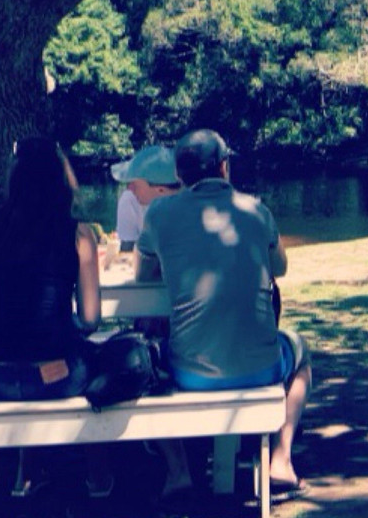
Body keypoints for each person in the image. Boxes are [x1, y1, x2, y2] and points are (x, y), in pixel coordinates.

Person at [135, 129, 311, 499]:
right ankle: (281, 459)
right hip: (261, 366)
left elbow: (142, 276)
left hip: (190, 370)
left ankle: (179, 470)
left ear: (180, 176)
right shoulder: (255, 210)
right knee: (301, 352)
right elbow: (279, 267)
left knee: (145, 365)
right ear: (224, 167)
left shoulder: (160, 213)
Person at [0, 137, 113, 498]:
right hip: (54, 378)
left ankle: (27, 473)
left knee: (34, 349)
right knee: (96, 362)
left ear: (14, 179)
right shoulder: (78, 234)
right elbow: (92, 318)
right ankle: (97, 476)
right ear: (60, 180)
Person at [111, 145, 180, 254]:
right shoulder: (130, 198)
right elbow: (126, 249)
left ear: (160, 190)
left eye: (134, 184)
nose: (129, 188)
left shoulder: (196, 208)